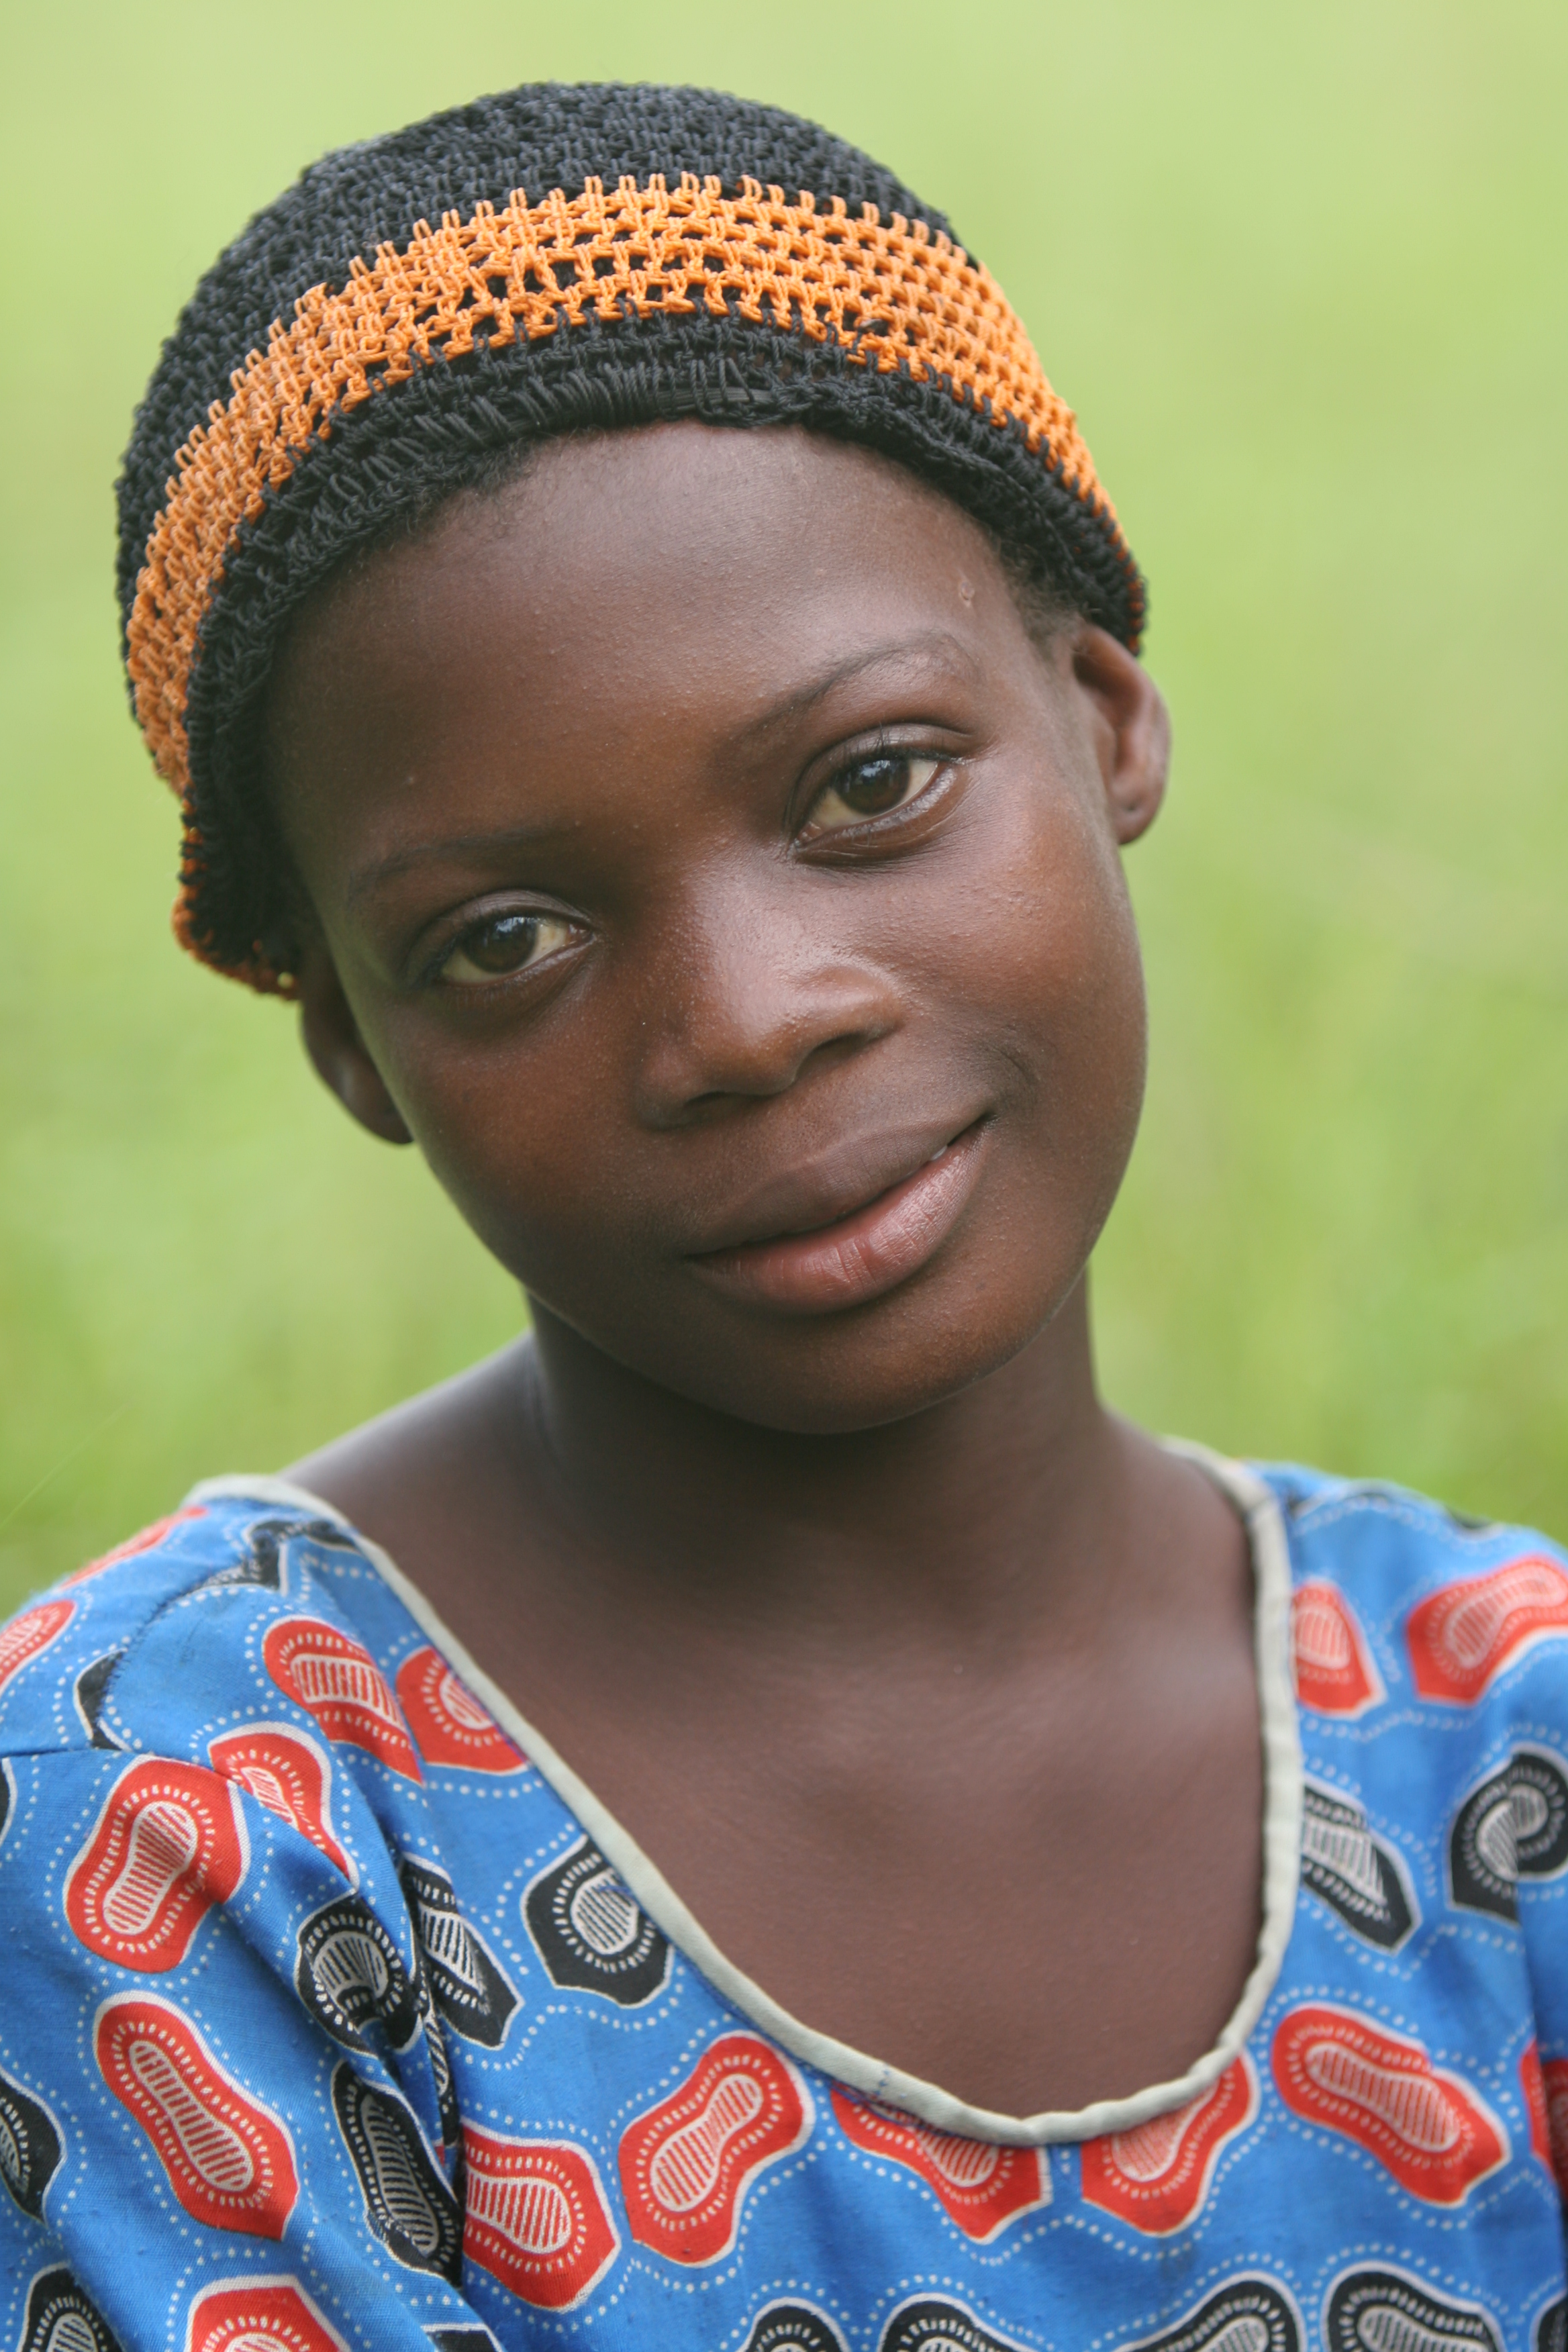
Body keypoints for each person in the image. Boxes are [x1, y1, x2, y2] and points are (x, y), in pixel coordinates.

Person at [1, 79, 1563, 2352]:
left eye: (868, 786)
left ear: (1105, 716)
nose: (749, 1021)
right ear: (352, 1044)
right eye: (507, 938)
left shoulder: (1501, 1738)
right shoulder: (183, 1829)